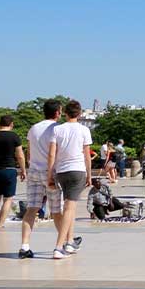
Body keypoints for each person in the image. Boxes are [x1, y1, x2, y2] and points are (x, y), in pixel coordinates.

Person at [47, 99, 92, 259]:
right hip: (77, 170)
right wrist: (90, 175)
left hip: (61, 171)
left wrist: (50, 175)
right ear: (79, 114)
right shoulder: (84, 130)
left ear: (65, 113)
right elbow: (87, 156)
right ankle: (59, 246)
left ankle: (70, 242)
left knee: (68, 207)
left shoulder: (57, 130)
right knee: (69, 208)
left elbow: (52, 154)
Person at [19, 100, 62, 259]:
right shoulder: (58, 129)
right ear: (57, 112)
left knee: (31, 209)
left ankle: (24, 245)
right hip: (50, 171)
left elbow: (29, 152)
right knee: (57, 210)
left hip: (34, 171)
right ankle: (63, 242)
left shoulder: (34, 128)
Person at [0, 114, 25, 229]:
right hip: (9, 170)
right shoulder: (14, 136)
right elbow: (20, 155)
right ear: (11, 124)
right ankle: (1, 224)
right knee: (8, 198)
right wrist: (23, 170)